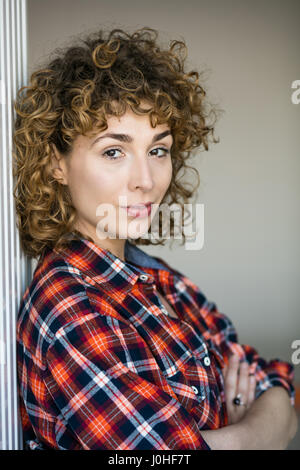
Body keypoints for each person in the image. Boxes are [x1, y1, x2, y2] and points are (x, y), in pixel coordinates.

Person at [13, 27, 297, 450]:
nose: (145, 180)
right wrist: (256, 434)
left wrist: (243, 428)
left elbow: (282, 384)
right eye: (114, 151)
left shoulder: (160, 279)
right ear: (57, 163)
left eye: (158, 150)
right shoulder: (68, 305)